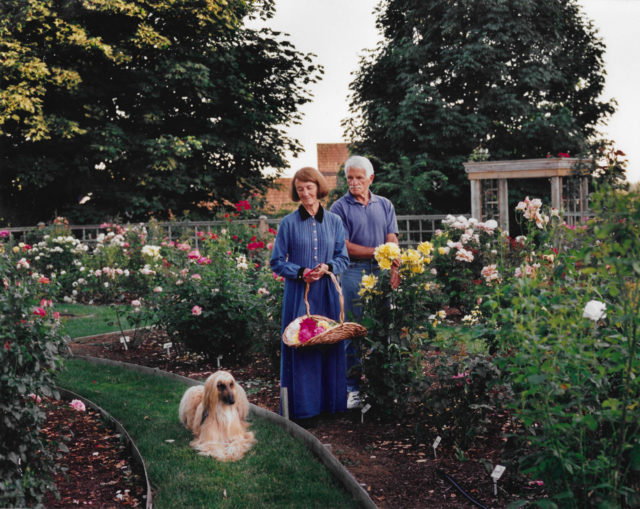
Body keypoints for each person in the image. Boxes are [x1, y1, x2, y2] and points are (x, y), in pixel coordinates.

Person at [270, 167, 350, 421]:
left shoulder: (335, 222)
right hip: (299, 293)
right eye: (300, 188)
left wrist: (328, 267)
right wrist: (301, 271)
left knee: (330, 342)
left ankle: (331, 407)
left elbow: (343, 258)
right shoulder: (288, 223)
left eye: (309, 187)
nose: (305, 193)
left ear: (318, 188)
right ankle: (305, 411)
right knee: (302, 344)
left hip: (326, 292)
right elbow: (277, 261)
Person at [330, 155, 400, 409]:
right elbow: (344, 247)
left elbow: (391, 237)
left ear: (371, 178)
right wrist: (378, 252)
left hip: (381, 272)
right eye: (350, 178)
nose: (354, 182)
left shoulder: (385, 205)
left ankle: (380, 384)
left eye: (359, 177)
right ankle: (353, 389)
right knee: (353, 328)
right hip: (353, 272)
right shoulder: (339, 208)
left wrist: (394, 266)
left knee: (382, 327)